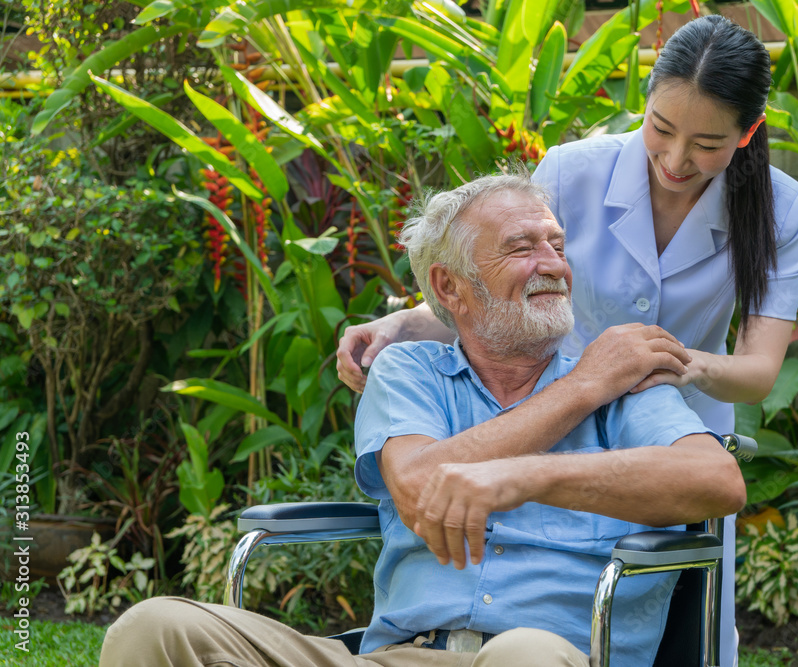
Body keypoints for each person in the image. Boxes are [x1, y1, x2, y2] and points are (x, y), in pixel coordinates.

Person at [99, 174, 746, 667]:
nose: (553, 263)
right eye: (522, 247)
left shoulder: (623, 376)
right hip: (396, 654)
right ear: (452, 286)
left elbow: (716, 481)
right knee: (150, 630)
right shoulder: (411, 372)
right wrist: (578, 390)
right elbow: (417, 487)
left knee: (522, 655)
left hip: (552, 653)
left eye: (556, 243)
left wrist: (533, 476)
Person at [335, 15, 798, 667]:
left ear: (748, 132)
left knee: (690, 632)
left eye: (706, 144)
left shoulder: (781, 207)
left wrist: (658, 362)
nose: (675, 160)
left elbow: (758, 371)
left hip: (663, 423)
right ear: (645, 102)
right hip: (548, 386)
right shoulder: (574, 168)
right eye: (661, 129)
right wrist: (398, 323)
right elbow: (501, 277)